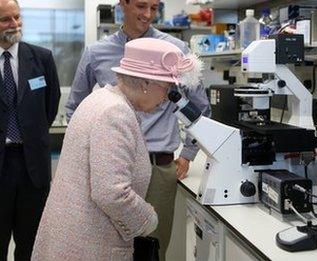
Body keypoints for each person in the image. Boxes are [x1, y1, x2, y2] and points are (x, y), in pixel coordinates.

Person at [32, 37, 203, 260]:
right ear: (145, 84)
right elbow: (112, 193)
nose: (167, 98)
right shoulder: (116, 114)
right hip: (89, 245)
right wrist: (149, 220)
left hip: (73, 237)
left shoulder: (101, 98)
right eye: (167, 88)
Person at [65, 0, 210, 259]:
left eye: (154, 8)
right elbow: (75, 108)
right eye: (141, 6)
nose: (148, 15)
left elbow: (200, 109)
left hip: (158, 169)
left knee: (151, 250)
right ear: (123, 4)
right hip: (110, 168)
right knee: (108, 249)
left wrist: (188, 152)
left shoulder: (175, 50)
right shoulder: (97, 52)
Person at [0, 0, 61, 260]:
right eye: (6, 20)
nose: (15, 24)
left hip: (32, 167)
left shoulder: (42, 58)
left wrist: (30, 133)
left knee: (31, 244)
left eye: (18, 17)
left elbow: (50, 104)